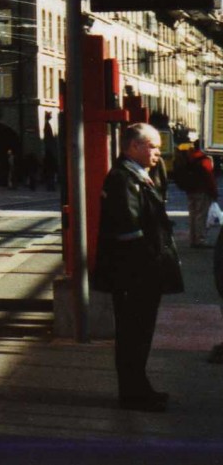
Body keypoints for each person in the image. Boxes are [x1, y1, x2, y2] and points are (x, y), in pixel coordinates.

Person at [93, 123, 184, 411]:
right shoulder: (123, 178)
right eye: (153, 146)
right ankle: (132, 394)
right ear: (134, 147)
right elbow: (129, 229)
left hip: (140, 273)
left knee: (140, 334)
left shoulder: (138, 174)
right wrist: (150, 263)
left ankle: (139, 387)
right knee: (133, 334)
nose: (158, 152)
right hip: (134, 274)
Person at [179, 141, 216, 248]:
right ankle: (200, 239)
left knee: (193, 215)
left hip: (190, 190)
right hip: (202, 190)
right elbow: (209, 177)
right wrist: (214, 192)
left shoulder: (189, 157)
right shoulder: (204, 159)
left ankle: (192, 238)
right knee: (201, 215)